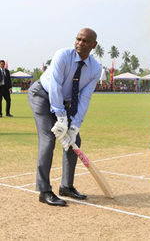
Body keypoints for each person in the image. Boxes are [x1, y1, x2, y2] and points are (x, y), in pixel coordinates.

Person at [27, 28, 102, 206]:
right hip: (42, 95)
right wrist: (61, 118)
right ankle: (44, 191)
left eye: (85, 41)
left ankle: (66, 187)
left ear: (94, 45)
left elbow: (84, 98)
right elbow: (55, 88)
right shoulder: (62, 55)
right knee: (49, 139)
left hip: (64, 101)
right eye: (78, 39)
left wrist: (75, 125)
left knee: (74, 140)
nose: (80, 43)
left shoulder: (95, 68)